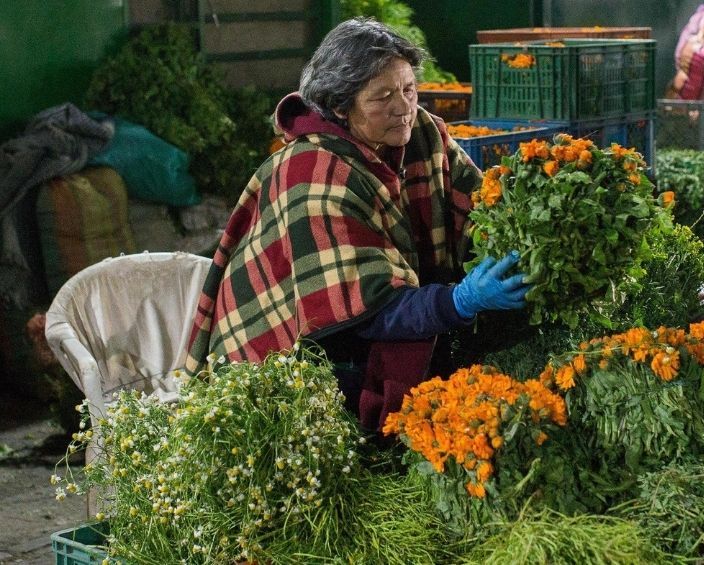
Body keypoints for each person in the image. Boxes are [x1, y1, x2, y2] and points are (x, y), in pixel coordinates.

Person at [185, 17, 530, 431]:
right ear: (339, 107)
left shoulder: (420, 132)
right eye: (382, 97)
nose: (403, 107)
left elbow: (481, 207)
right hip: (303, 349)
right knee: (347, 424)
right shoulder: (310, 172)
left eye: (407, 88)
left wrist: (518, 237)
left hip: (380, 313)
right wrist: (461, 300)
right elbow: (369, 311)